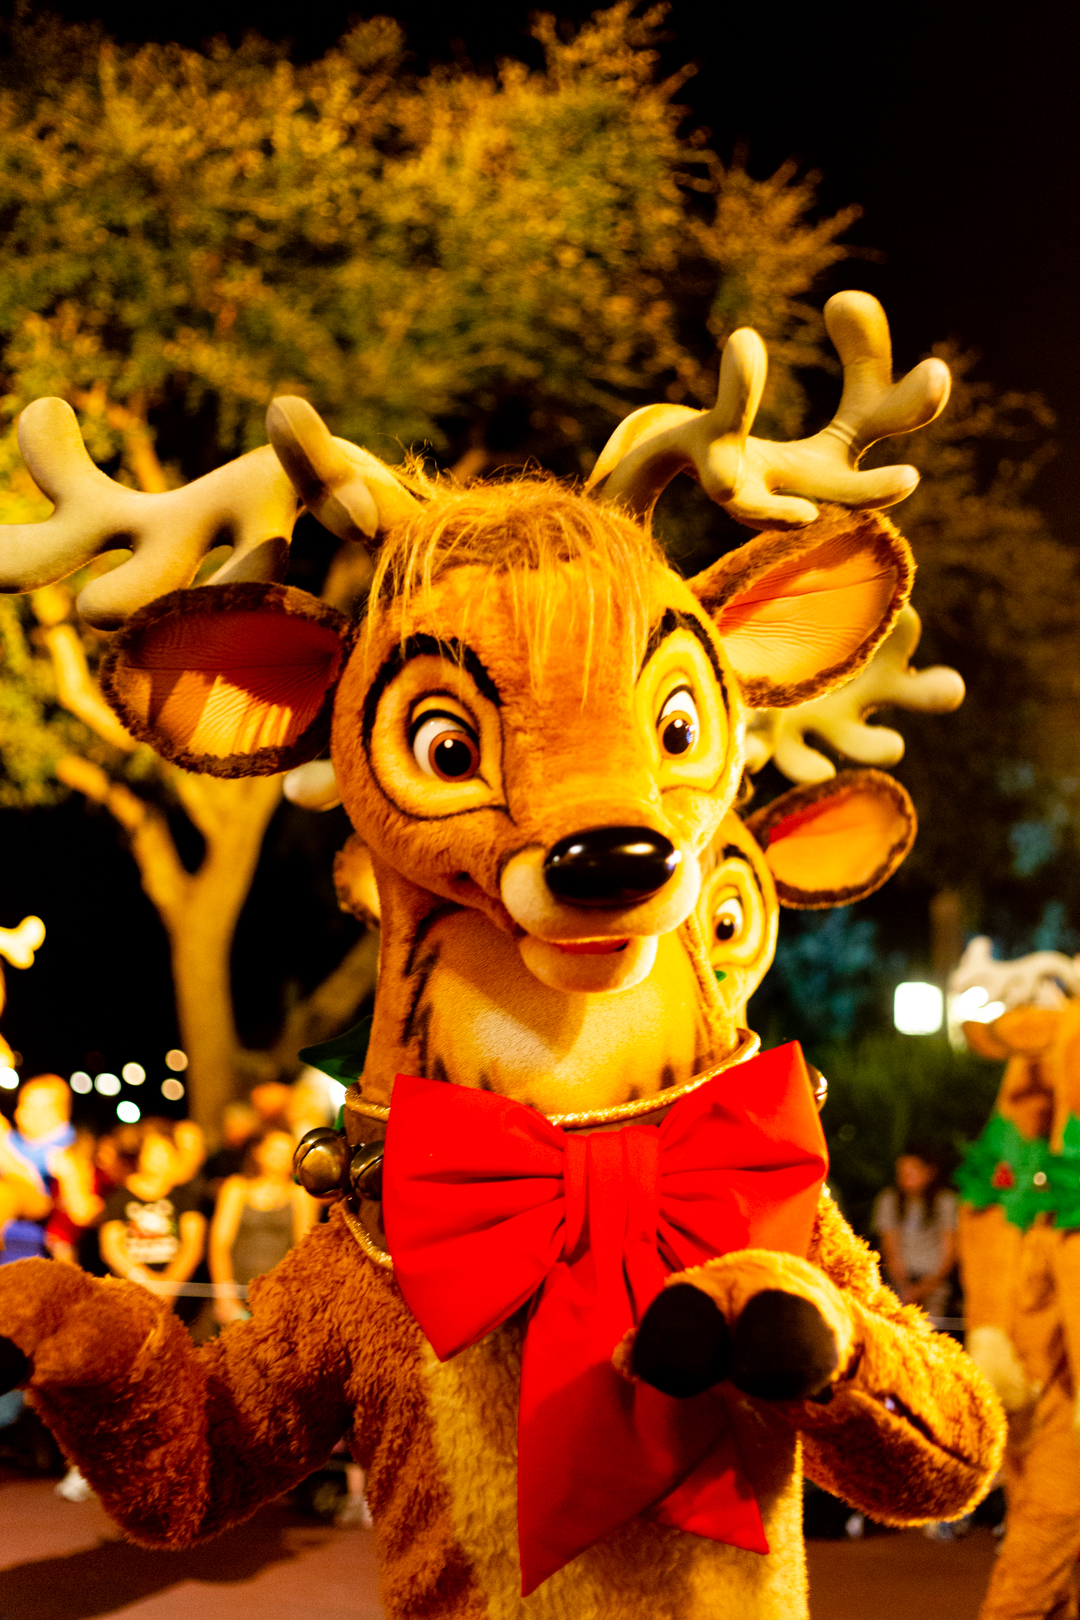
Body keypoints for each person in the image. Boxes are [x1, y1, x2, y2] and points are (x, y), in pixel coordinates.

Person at [208, 1127, 319, 1327]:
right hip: (238, 1289)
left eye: (287, 1152)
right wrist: (224, 1294)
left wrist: (298, 1296)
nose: (281, 1157)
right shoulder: (237, 1188)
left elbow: (304, 1248)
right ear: (258, 1152)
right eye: (275, 1150)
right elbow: (220, 1245)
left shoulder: (300, 1194)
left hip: (282, 1293)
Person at [99, 1119, 207, 1306]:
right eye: (153, 1152)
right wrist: (143, 1280)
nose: (159, 1159)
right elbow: (111, 1247)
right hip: (131, 1295)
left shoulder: (186, 1199)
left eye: (165, 1153)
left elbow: (193, 1246)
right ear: (140, 1155)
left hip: (179, 1298)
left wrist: (170, 1283)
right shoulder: (118, 1198)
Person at [872, 1149, 958, 1317]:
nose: (905, 1176)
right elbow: (889, 1247)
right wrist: (905, 1287)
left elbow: (949, 1252)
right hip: (897, 1283)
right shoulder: (889, 1199)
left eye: (912, 1171)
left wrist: (923, 1289)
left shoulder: (945, 1201)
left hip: (935, 1284)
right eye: (902, 1172)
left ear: (930, 1172)